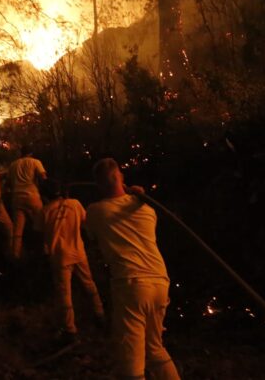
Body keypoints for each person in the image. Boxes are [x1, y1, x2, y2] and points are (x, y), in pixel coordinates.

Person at [86, 158, 180, 380]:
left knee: (131, 365)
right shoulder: (147, 209)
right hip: (160, 280)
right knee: (155, 347)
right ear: (122, 178)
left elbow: (92, 238)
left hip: (132, 284)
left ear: (99, 185)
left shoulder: (95, 211)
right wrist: (135, 195)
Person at [37, 179, 105, 343]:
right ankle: (100, 315)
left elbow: (39, 233)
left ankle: (70, 330)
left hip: (60, 256)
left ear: (44, 195)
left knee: (64, 293)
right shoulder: (75, 204)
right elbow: (85, 223)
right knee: (89, 284)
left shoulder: (44, 211)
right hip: (78, 252)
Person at [8, 145, 47, 259]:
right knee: (42, 224)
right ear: (31, 153)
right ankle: (46, 250)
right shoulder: (35, 162)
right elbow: (43, 177)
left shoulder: (13, 165)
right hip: (32, 195)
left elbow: (8, 183)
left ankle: (15, 254)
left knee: (18, 229)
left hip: (16, 198)